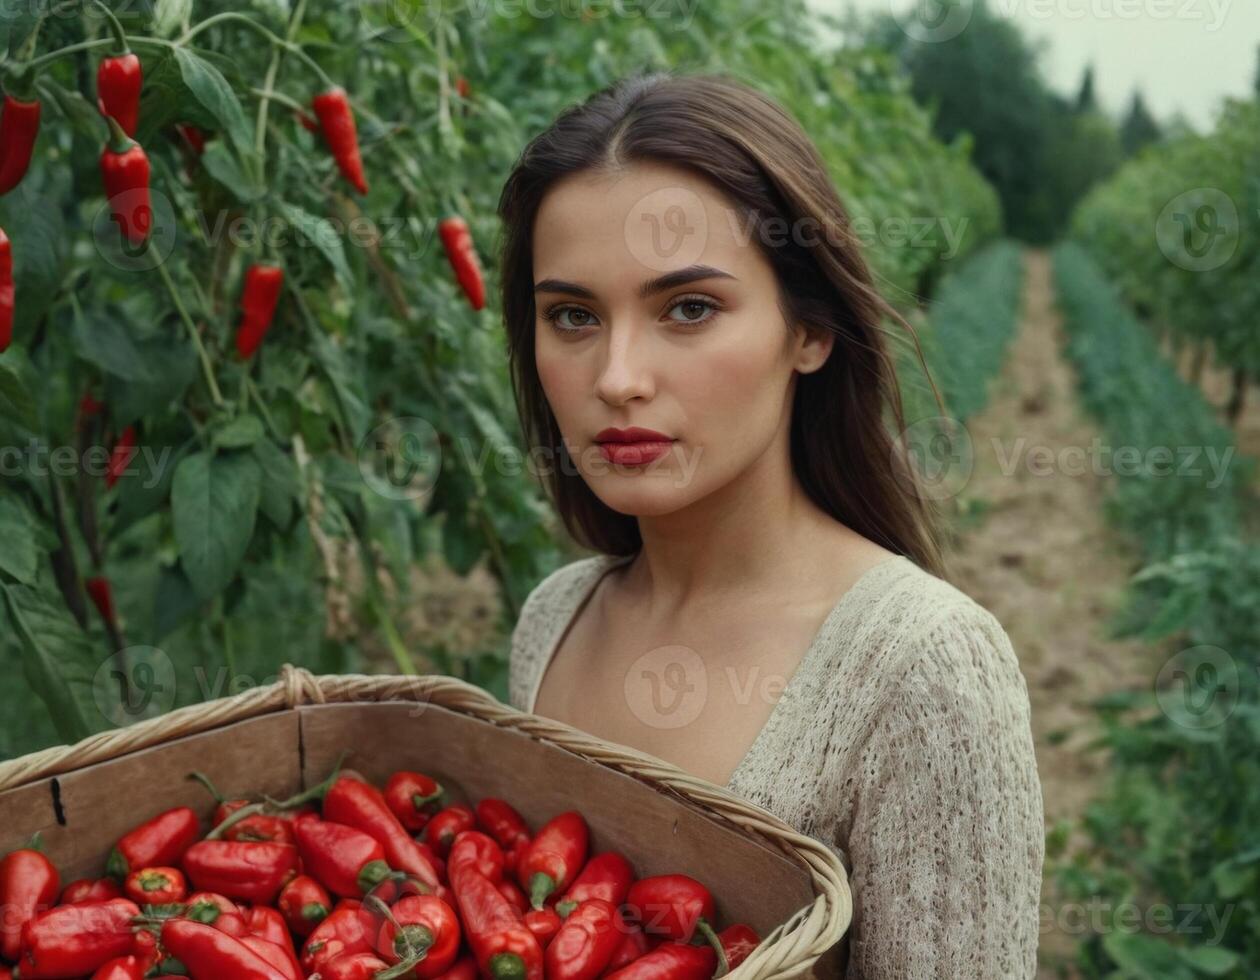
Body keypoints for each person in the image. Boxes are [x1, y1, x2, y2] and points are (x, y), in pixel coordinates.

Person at [497, 70, 1043, 978]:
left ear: (810, 331)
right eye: (574, 316)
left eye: (690, 308)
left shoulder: (921, 670)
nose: (618, 377)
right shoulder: (554, 621)